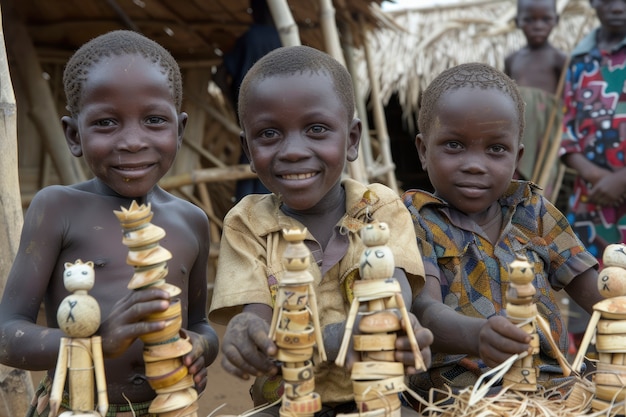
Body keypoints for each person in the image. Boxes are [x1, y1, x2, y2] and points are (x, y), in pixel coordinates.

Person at [0, 30, 218, 417]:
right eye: (105, 123)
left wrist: (198, 349)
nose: (132, 141)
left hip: (169, 407)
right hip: (75, 406)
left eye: (154, 120)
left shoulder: (191, 221)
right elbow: (7, 334)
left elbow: (201, 324)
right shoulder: (58, 209)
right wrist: (95, 341)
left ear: (180, 130)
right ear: (74, 134)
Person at [208, 45, 433, 417]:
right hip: (285, 401)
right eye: (269, 134)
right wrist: (246, 333)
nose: (294, 150)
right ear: (247, 150)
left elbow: (394, 301)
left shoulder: (382, 208)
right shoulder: (246, 223)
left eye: (316, 129)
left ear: (352, 139)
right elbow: (256, 318)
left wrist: (399, 329)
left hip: (375, 397)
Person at [404, 62, 602, 400]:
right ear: (424, 151)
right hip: (460, 395)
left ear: (516, 157)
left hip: (550, 389)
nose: (475, 164)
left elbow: (596, 290)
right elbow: (425, 310)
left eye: (496, 149)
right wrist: (477, 335)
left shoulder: (533, 211)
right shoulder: (417, 220)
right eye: (454, 145)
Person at [559, 0, 626, 351]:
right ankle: (591, 374)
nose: (616, 5)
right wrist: (594, 173)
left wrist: (621, 178)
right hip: (590, 204)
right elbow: (565, 130)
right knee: (589, 281)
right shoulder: (579, 60)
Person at [213, 0, 282, 202]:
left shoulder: (249, 38)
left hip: (253, 114)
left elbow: (218, 76)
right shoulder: (287, 39)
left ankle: (248, 217)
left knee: (252, 158)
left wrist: (235, 101)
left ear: (255, 11)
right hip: (286, 115)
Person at [504, 0, 567, 186]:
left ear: (556, 20)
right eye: (530, 20)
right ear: (518, 22)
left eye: (545, 19)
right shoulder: (512, 59)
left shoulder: (559, 58)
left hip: (544, 129)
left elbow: (562, 101)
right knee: (512, 165)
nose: (538, 26)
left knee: (541, 173)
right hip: (517, 125)